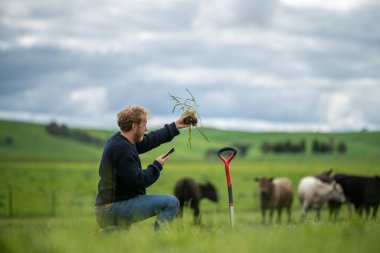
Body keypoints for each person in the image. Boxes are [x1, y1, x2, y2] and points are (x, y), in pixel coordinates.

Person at [94, 105, 190, 231]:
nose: (146, 128)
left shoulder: (121, 140)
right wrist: (156, 166)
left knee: (119, 240)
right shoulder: (122, 149)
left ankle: (106, 234)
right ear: (134, 126)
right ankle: (159, 244)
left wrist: (175, 126)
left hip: (108, 207)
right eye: (144, 124)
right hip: (111, 209)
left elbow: (151, 139)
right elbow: (139, 181)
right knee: (171, 202)